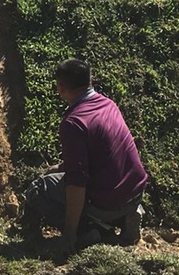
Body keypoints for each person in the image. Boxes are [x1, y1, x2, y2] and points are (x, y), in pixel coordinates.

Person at [22, 59, 149, 255]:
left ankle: (88, 231)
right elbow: (100, 153)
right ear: (90, 80)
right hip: (135, 191)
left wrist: (70, 233)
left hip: (108, 201)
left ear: (61, 87)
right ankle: (126, 217)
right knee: (60, 179)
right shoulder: (107, 104)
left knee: (38, 190)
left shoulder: (74, 123)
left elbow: (77, 184)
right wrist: (62, 167)